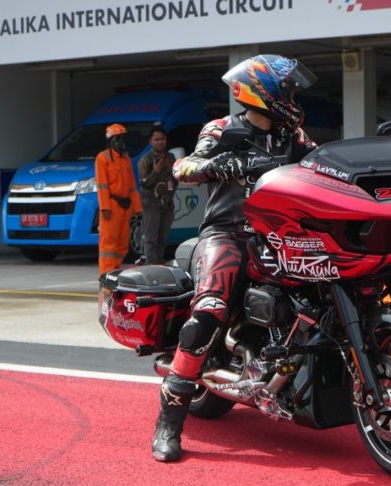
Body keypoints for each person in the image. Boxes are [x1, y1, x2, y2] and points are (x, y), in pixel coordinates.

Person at [152, 54, 318, 462]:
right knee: (209, 310)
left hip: (281, 235)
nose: (294, 98)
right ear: (264, 92)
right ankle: (169, 422)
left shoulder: (293, 135)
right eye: (289, 91)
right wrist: (226, 163)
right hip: (229, 233)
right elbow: (184, 168)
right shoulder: (222, 128)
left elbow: (322, 165)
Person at [95, 123, 142, 276]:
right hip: (112, 206)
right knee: (108, 245)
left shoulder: (125, 159)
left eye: (122, 138)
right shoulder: (102, 158)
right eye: (117, 138)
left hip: (125, 207)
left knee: (122, 244)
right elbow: (102, 185)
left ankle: (114, 271)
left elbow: (132, 185)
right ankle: (106, 276)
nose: (121, 141)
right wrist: (105, 207)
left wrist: (137, 208)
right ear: (110, 141)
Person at [137, 122, 178, 265]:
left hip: (167, 203)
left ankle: (160, 265)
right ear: (150, 141)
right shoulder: (145, 160)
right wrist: (156, 171)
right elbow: (144, 184)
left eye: (163, 139)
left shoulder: (171, 157)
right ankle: (151, 266)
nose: (160, 142)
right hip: (151, 204)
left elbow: (176, 179)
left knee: (163, 237)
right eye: (157, 139)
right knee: (151, 238)